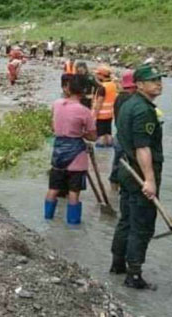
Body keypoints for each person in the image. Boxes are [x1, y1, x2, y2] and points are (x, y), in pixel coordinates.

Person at [110, 64, 165, 290]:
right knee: (141, 225)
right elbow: (143, 148)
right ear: (140, 85)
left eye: (160, 79)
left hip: (126, 170)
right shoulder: (143, 111)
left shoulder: (127, 103)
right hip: (139, 173)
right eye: (153, 80)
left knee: (126, 219)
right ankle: (133, 275)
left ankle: (117, 264)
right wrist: (150, 180)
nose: (159, 83)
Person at [44, 75, 97, 224]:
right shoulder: (84, 111)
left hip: (58, 151)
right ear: (84, 90)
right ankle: (73, 225)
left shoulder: (57, 104)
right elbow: (93, 137)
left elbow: (53, 124)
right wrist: (81, 133)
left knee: (53, 189)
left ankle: (47, 219)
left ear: (68, 88)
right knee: (74, 193)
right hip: (76, 155)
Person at [109, 70, 137, 191]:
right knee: (123, 167)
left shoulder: (119, 98)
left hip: (119, 135)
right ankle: (118, 190)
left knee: (117, 165)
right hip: (125, 138)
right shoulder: (129, 100)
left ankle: (113, 192)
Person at [93, 65, 118, 148]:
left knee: (101, 135)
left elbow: (99, 103)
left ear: (101, 75)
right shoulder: (113, 85)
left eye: (97, 74)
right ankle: (110, 147)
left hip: (101, 115)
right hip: (110, 114)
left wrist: (94, 116)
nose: (96, 76)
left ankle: (101, 152)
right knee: (108, 132)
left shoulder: (102, 88)